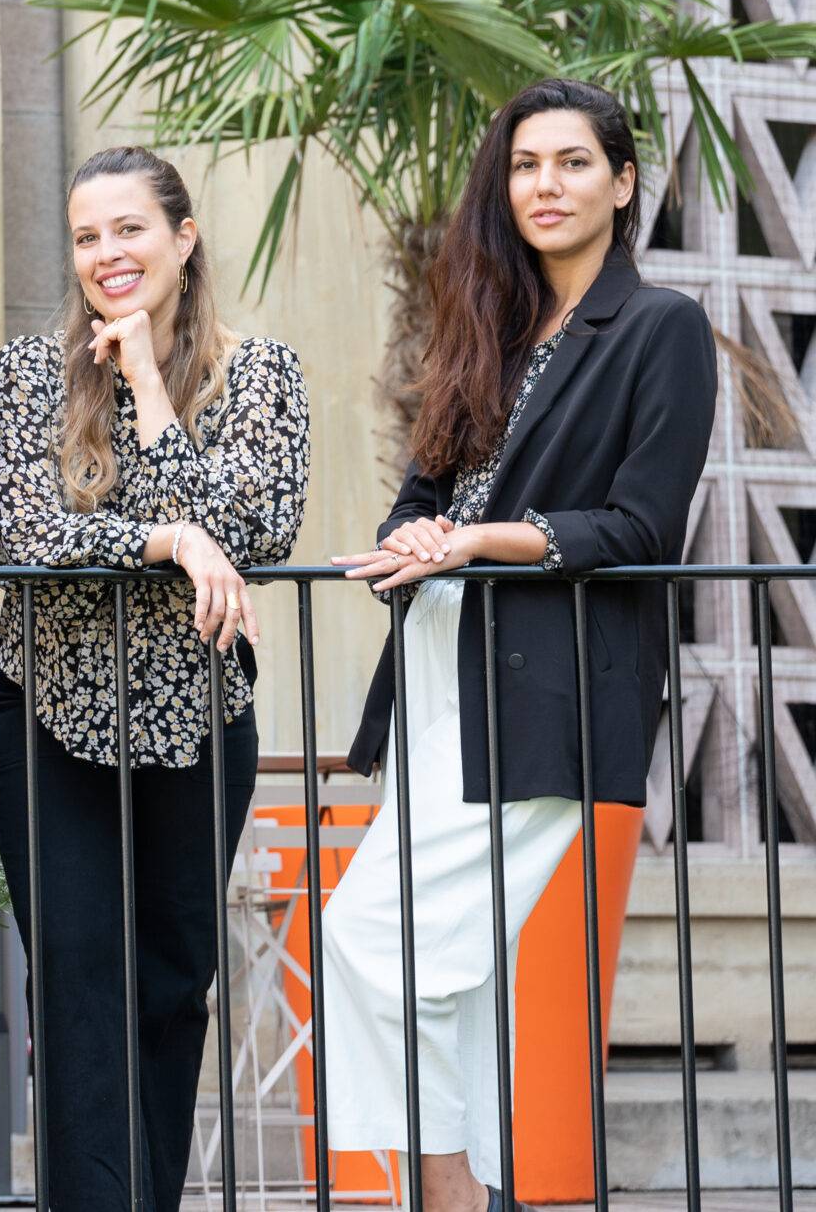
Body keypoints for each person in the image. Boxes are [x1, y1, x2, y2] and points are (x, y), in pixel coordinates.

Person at [327, 79, 715, 1211]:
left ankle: (447, 1191)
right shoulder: (489, 323)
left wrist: (478, 539)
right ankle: (457, 1192)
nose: (545, 184)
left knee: (373, 940)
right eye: (525, 165)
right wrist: (415, 540)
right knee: (431, 974)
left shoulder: (660, 326)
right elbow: (420, 491)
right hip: (439, 667)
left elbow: (641, 524)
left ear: (622, 181)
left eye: (573, 162)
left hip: (547, 683)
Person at [0, 144, 309, 1212]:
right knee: (78, 987)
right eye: (85, 235)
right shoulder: (28, 373)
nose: (106, 253)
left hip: (199, 720)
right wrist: (168, 541)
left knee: (172, 989)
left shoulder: (261, 375)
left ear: (183, 235)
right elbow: (30, 531)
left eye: (128, 228)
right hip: (50, 716)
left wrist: (149, 388)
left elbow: (255, 527)